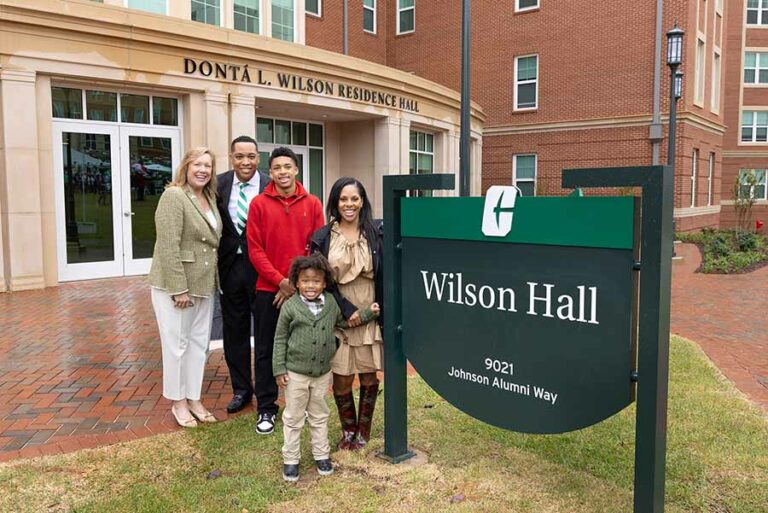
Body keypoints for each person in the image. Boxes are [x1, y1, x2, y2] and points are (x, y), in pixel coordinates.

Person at [273, 254, 379, 482]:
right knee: (293, 417)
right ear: (297, 282)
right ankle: (291, 459)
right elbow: (280, 338)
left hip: (322, 374)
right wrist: (279, 369)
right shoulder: (290, 308)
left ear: (324, 283)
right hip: (296, 375)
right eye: (305, 281)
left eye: (316, 281)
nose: (310, 286)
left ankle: (321, 455)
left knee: (319, 415)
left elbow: (345, 322)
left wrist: (369, 312)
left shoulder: (330, 303)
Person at [246, 147, 325, 435]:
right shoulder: (258, 204)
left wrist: (295, 284)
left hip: (304, 290)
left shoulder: (313, 203)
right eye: (277, 167)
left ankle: (302, 404)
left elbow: (315, 246)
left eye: (287, 166)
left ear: (296, 170)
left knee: (303, 348)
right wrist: (280, 281)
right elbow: (255, 249)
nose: (282, 172)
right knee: (266, 349)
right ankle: (266, 408)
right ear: (271, 171)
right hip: (269, 290)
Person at [148, 147, 222, 428]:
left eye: (208, 166)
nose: (203, 170)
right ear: (186, 167)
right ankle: (178, 402)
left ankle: (194, 398)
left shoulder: (209, 198)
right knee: (176, 346)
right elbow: (167, 246)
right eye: (197, 164)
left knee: (198, 345)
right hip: (176, 287)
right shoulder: (174, 196)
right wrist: (178, 289)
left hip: (204, 285)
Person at [310, 177, 383, 449]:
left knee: (367, 375)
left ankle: (363, 431)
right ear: (335, 202)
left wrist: (376, 308)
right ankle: (347, 431)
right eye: (343, 199)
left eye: (354, 198)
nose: (349, 204)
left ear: (362, 201)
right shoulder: (323, 237)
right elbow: (320, 281)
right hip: (338, 314)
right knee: (342, 378)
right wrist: (346, 309)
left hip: (370, 312)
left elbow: (386, 273)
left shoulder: (376, 233)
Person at [216, 135, 270, 414]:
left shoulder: (271, 185)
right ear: (231, 157)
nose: (245, 162)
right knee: (234, 332)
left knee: (264, 331)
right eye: (239, 156)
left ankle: (265, 391)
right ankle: (241, 390)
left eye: (251, 156)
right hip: (229, 269)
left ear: (258, 158)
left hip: (262, 269)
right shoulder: (217, 184)